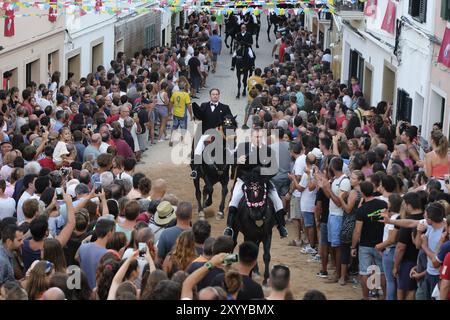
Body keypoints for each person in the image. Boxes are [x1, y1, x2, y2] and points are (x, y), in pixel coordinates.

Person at [224, 128, 288, 238]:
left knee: (277, 200)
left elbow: (274, 169)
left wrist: (262, 173)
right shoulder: (242, 147)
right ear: (251, 137)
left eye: (259, 137)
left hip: (262, 180)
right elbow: (229, 159)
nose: (258, 139)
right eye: (256, 137)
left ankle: (281, 226)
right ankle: (229, 227)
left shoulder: (268, 151)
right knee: (234, 199)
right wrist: (237, 160)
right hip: (244, 180)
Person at [351, 181, 388, 300]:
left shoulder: (361, 210)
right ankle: (385, 296)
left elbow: (357, 231)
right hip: (381, 244)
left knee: (364, 272)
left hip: (365, 245)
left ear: (362, 193)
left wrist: (353, 247)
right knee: (381, 271)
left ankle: (366, 297)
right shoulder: (383, 204)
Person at [77, 218, 116, 289]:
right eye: (114, 231)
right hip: (97, 291)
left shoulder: (83, 247)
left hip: (83, 289)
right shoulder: (108, 255)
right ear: (109, 233)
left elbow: (77, 258)